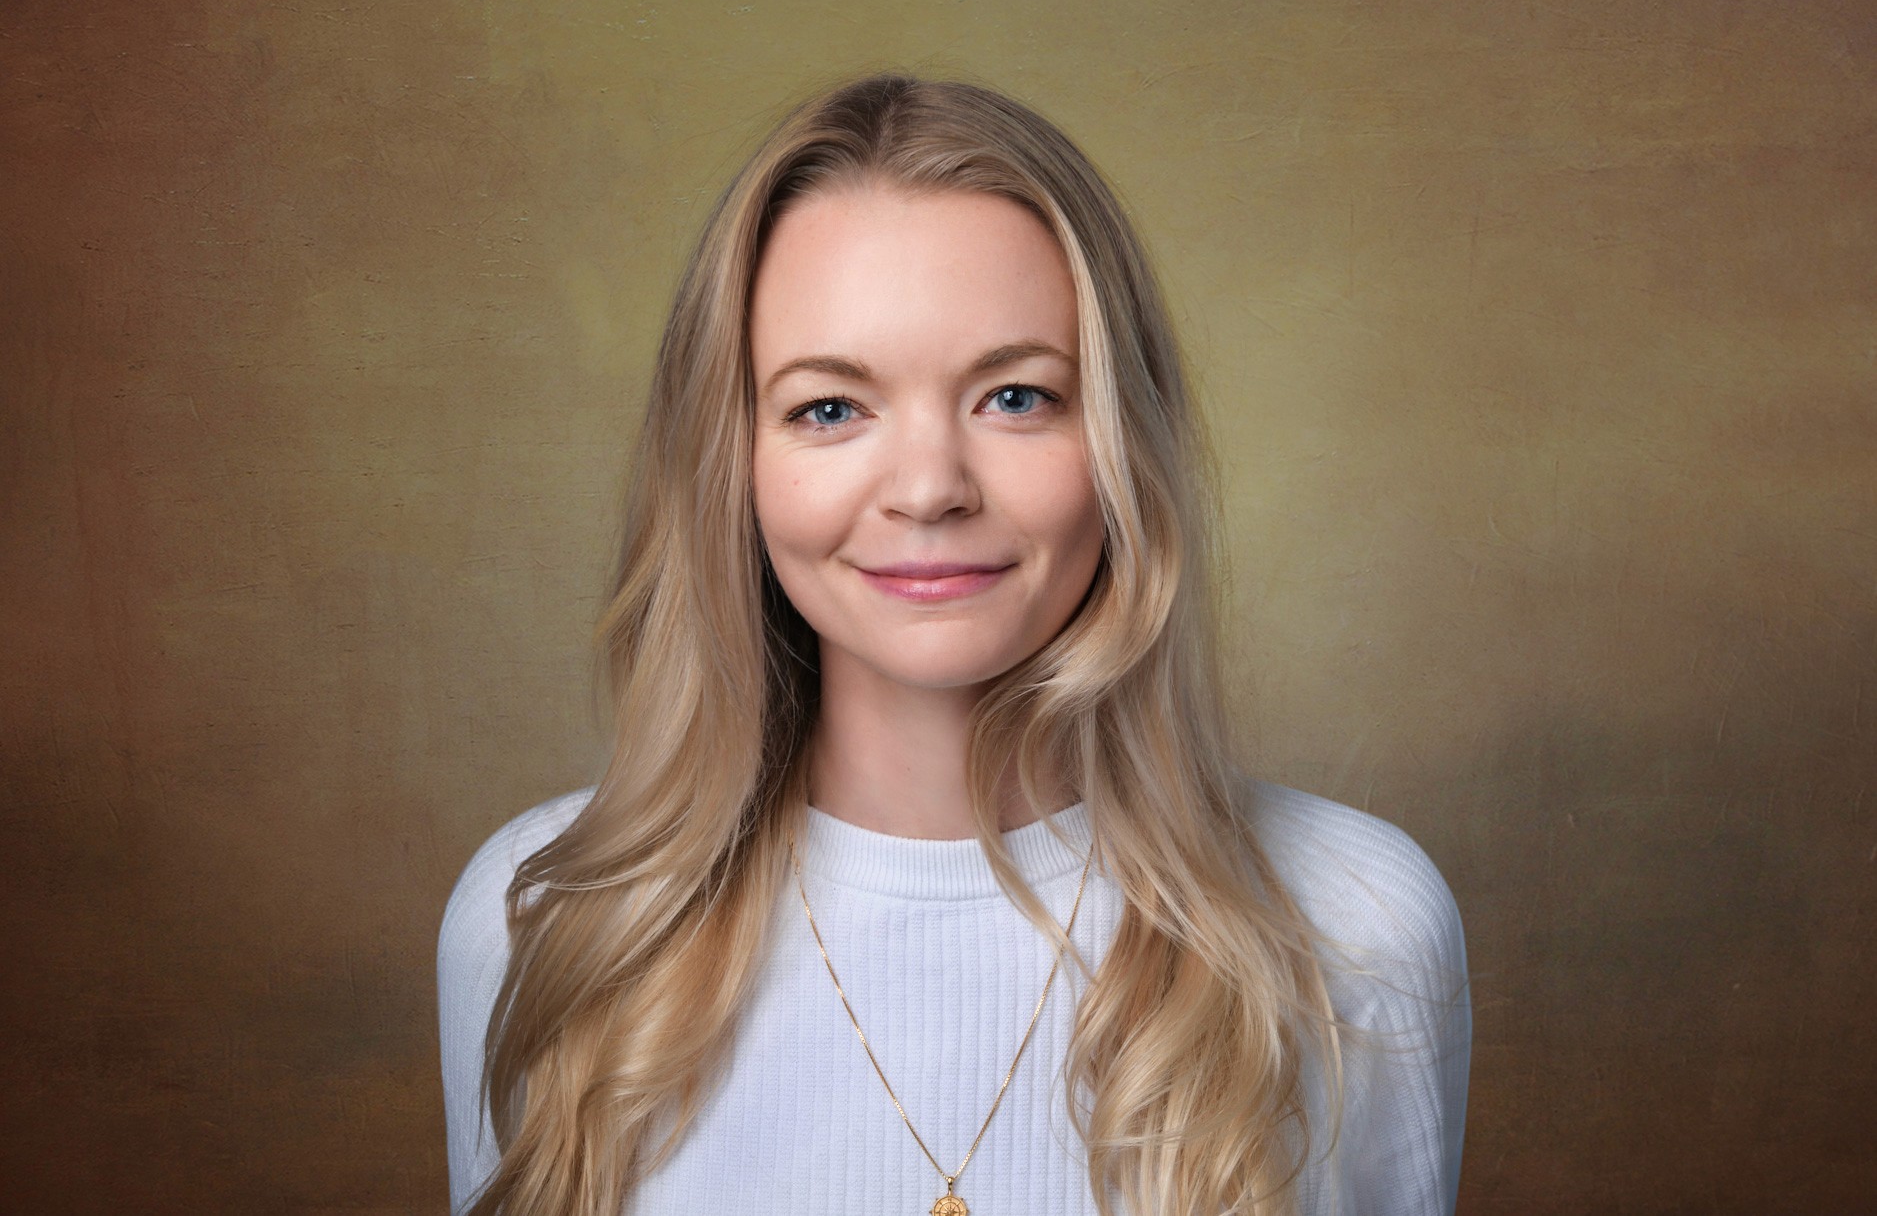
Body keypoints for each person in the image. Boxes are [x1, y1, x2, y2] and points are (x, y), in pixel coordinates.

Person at [438, 72, 1469, 1216]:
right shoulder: (546, 920)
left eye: (1015, 396)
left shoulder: (1355, 927)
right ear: (728, 463)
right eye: (829, 408)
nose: (928, 489)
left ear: (1122, 441)